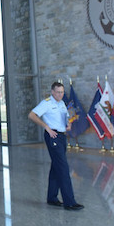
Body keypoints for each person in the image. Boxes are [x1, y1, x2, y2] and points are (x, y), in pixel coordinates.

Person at [28, 81, 84, 211]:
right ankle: (69, 202)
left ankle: (52, 198)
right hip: (52, 137)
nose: (60, 94)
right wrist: (46, 127)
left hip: (62, 136)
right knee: (63, 168)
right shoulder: (46, 103)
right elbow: (31, 115)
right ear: (52, 92)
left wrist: (68, 125)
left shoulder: (62, 104)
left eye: (62, 92)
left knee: (56, 167)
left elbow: (65, 118)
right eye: (58, 92)